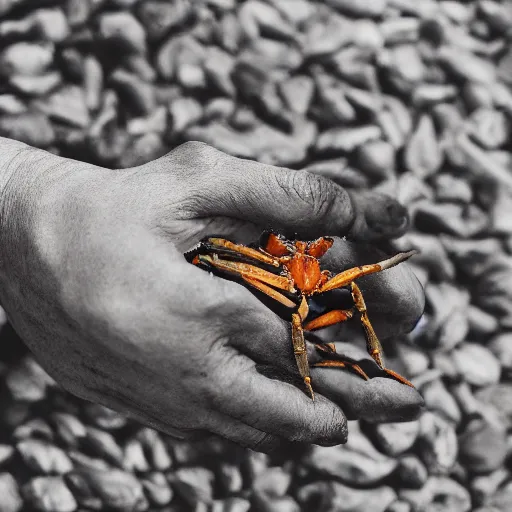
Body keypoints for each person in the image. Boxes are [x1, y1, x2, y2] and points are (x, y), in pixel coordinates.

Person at [0, 137, 424, 453]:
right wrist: (21, 198)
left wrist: (21, 186)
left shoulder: (312, 259)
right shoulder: (267, 259)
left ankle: (367, 362)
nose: (302, 248)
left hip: (305, 292)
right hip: (276, 284)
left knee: (350, 295)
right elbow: (224, 251)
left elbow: (360, 273)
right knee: (223, 264)